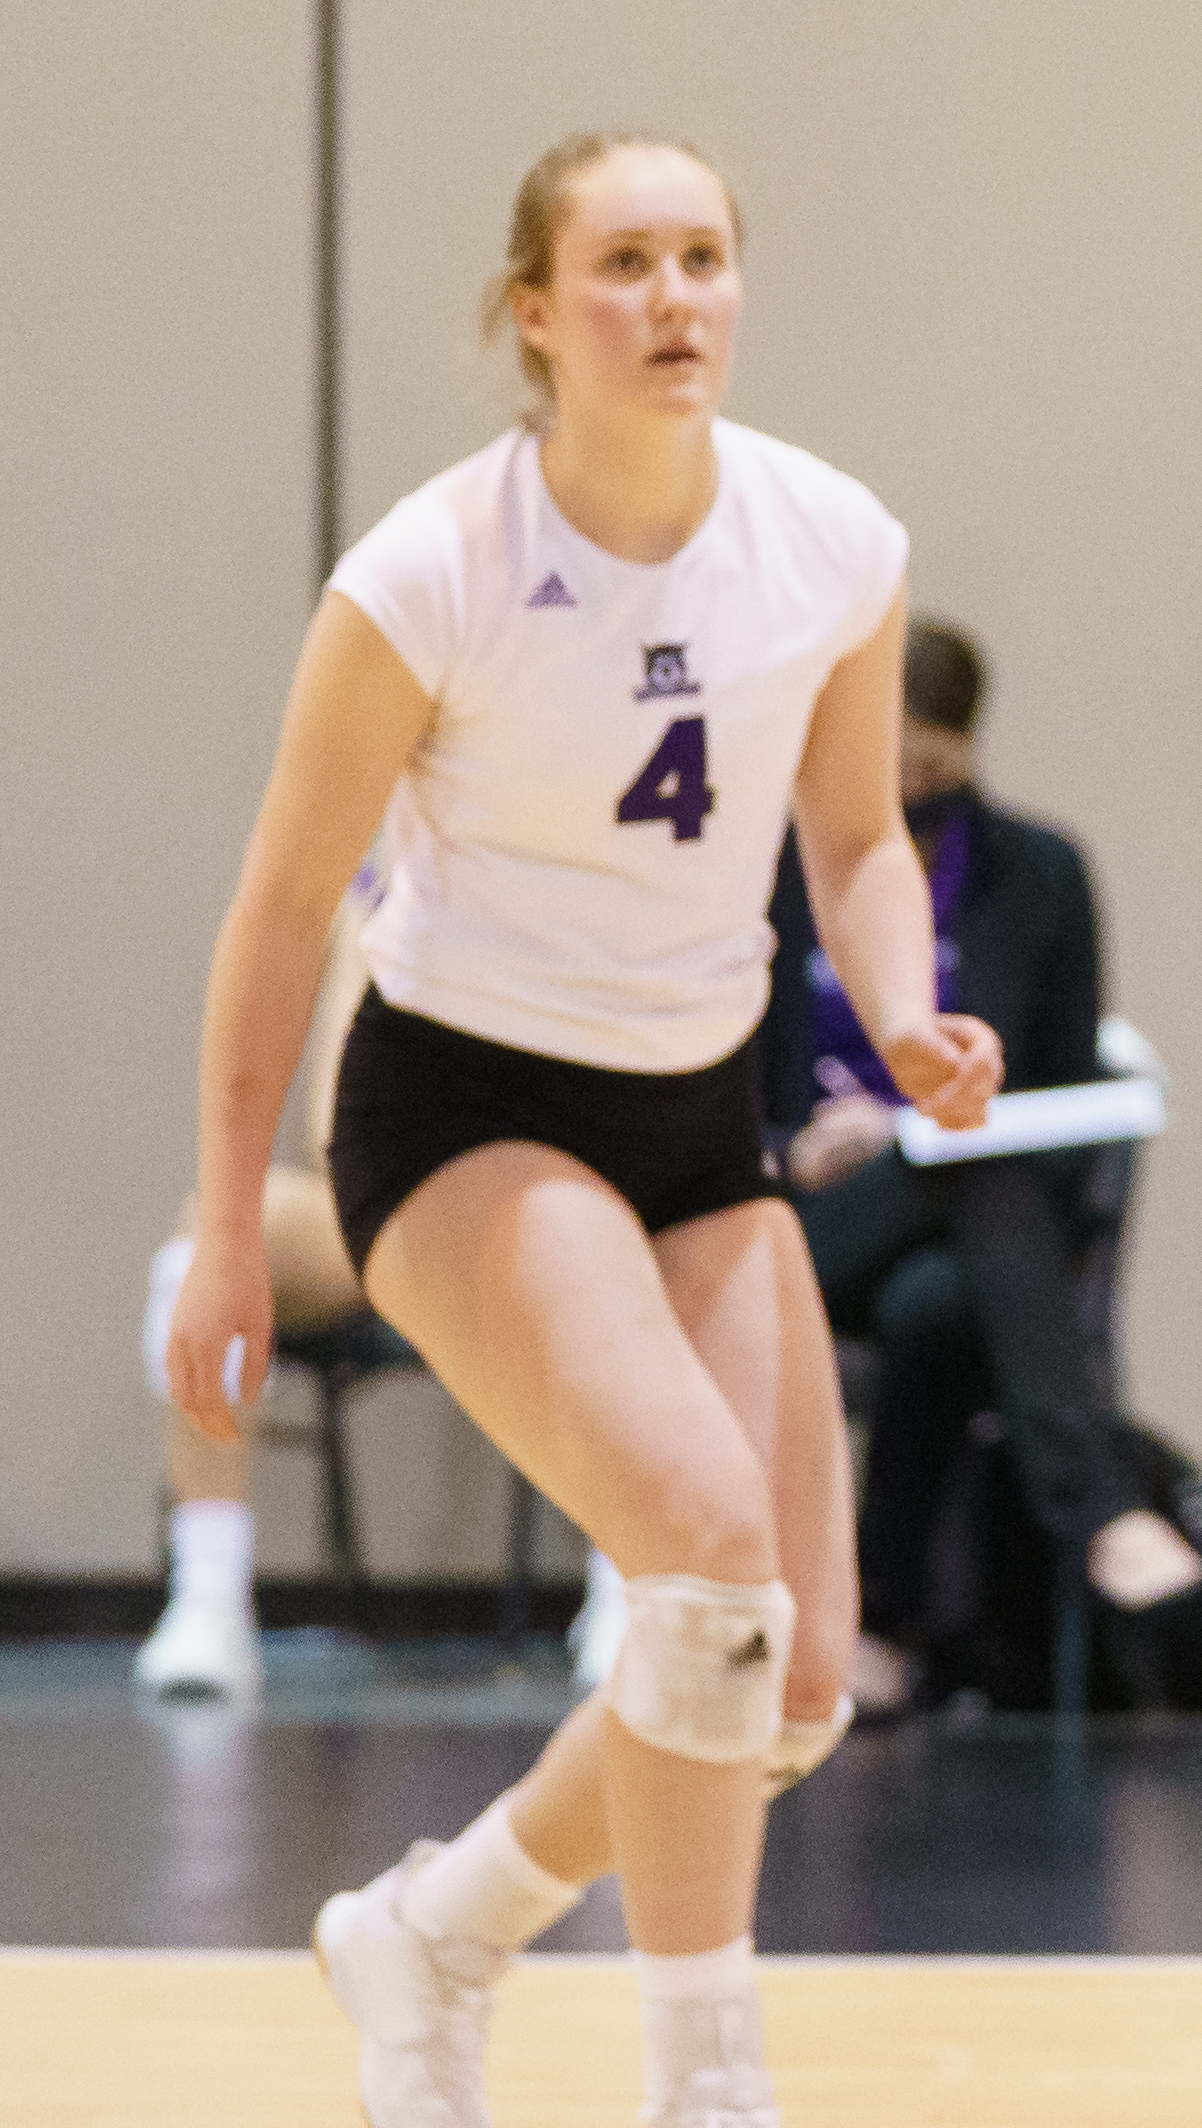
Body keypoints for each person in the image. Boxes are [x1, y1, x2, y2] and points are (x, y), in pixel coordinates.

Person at [161, 131, 1001, 2128]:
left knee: (783, 1677)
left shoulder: (827, 538)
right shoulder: (431, 569)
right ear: (534, 313)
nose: (673, 297)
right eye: (621, 261)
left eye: (702, 254)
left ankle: (438, 1923)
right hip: (464, 1106)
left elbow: (859, 830)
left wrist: (898, 1004)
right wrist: (219, 1217)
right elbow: (283, 898)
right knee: (701, 1563)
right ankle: (705, 2071)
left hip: (698, 1112)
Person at [766, 617, 1202, 1706]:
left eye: (935, 765)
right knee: (962, 1174)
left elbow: (1062, 1090)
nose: (915, 785)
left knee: (943, 1296)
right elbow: (724, 1070)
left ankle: (881, 1628)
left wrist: (909, 1127)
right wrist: (804, 1146)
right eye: (896, 762)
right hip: (796, 1224)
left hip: (965, 1224)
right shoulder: (775, 870)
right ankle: (1103, 1509)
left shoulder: (1039, 871)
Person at [131, 889, 375, 1706]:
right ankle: (208, 1595)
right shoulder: (372, 876)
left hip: (523, 1207)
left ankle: (632, 1598)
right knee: (210, 1237)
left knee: (647, 1237)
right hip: (368, 1206)